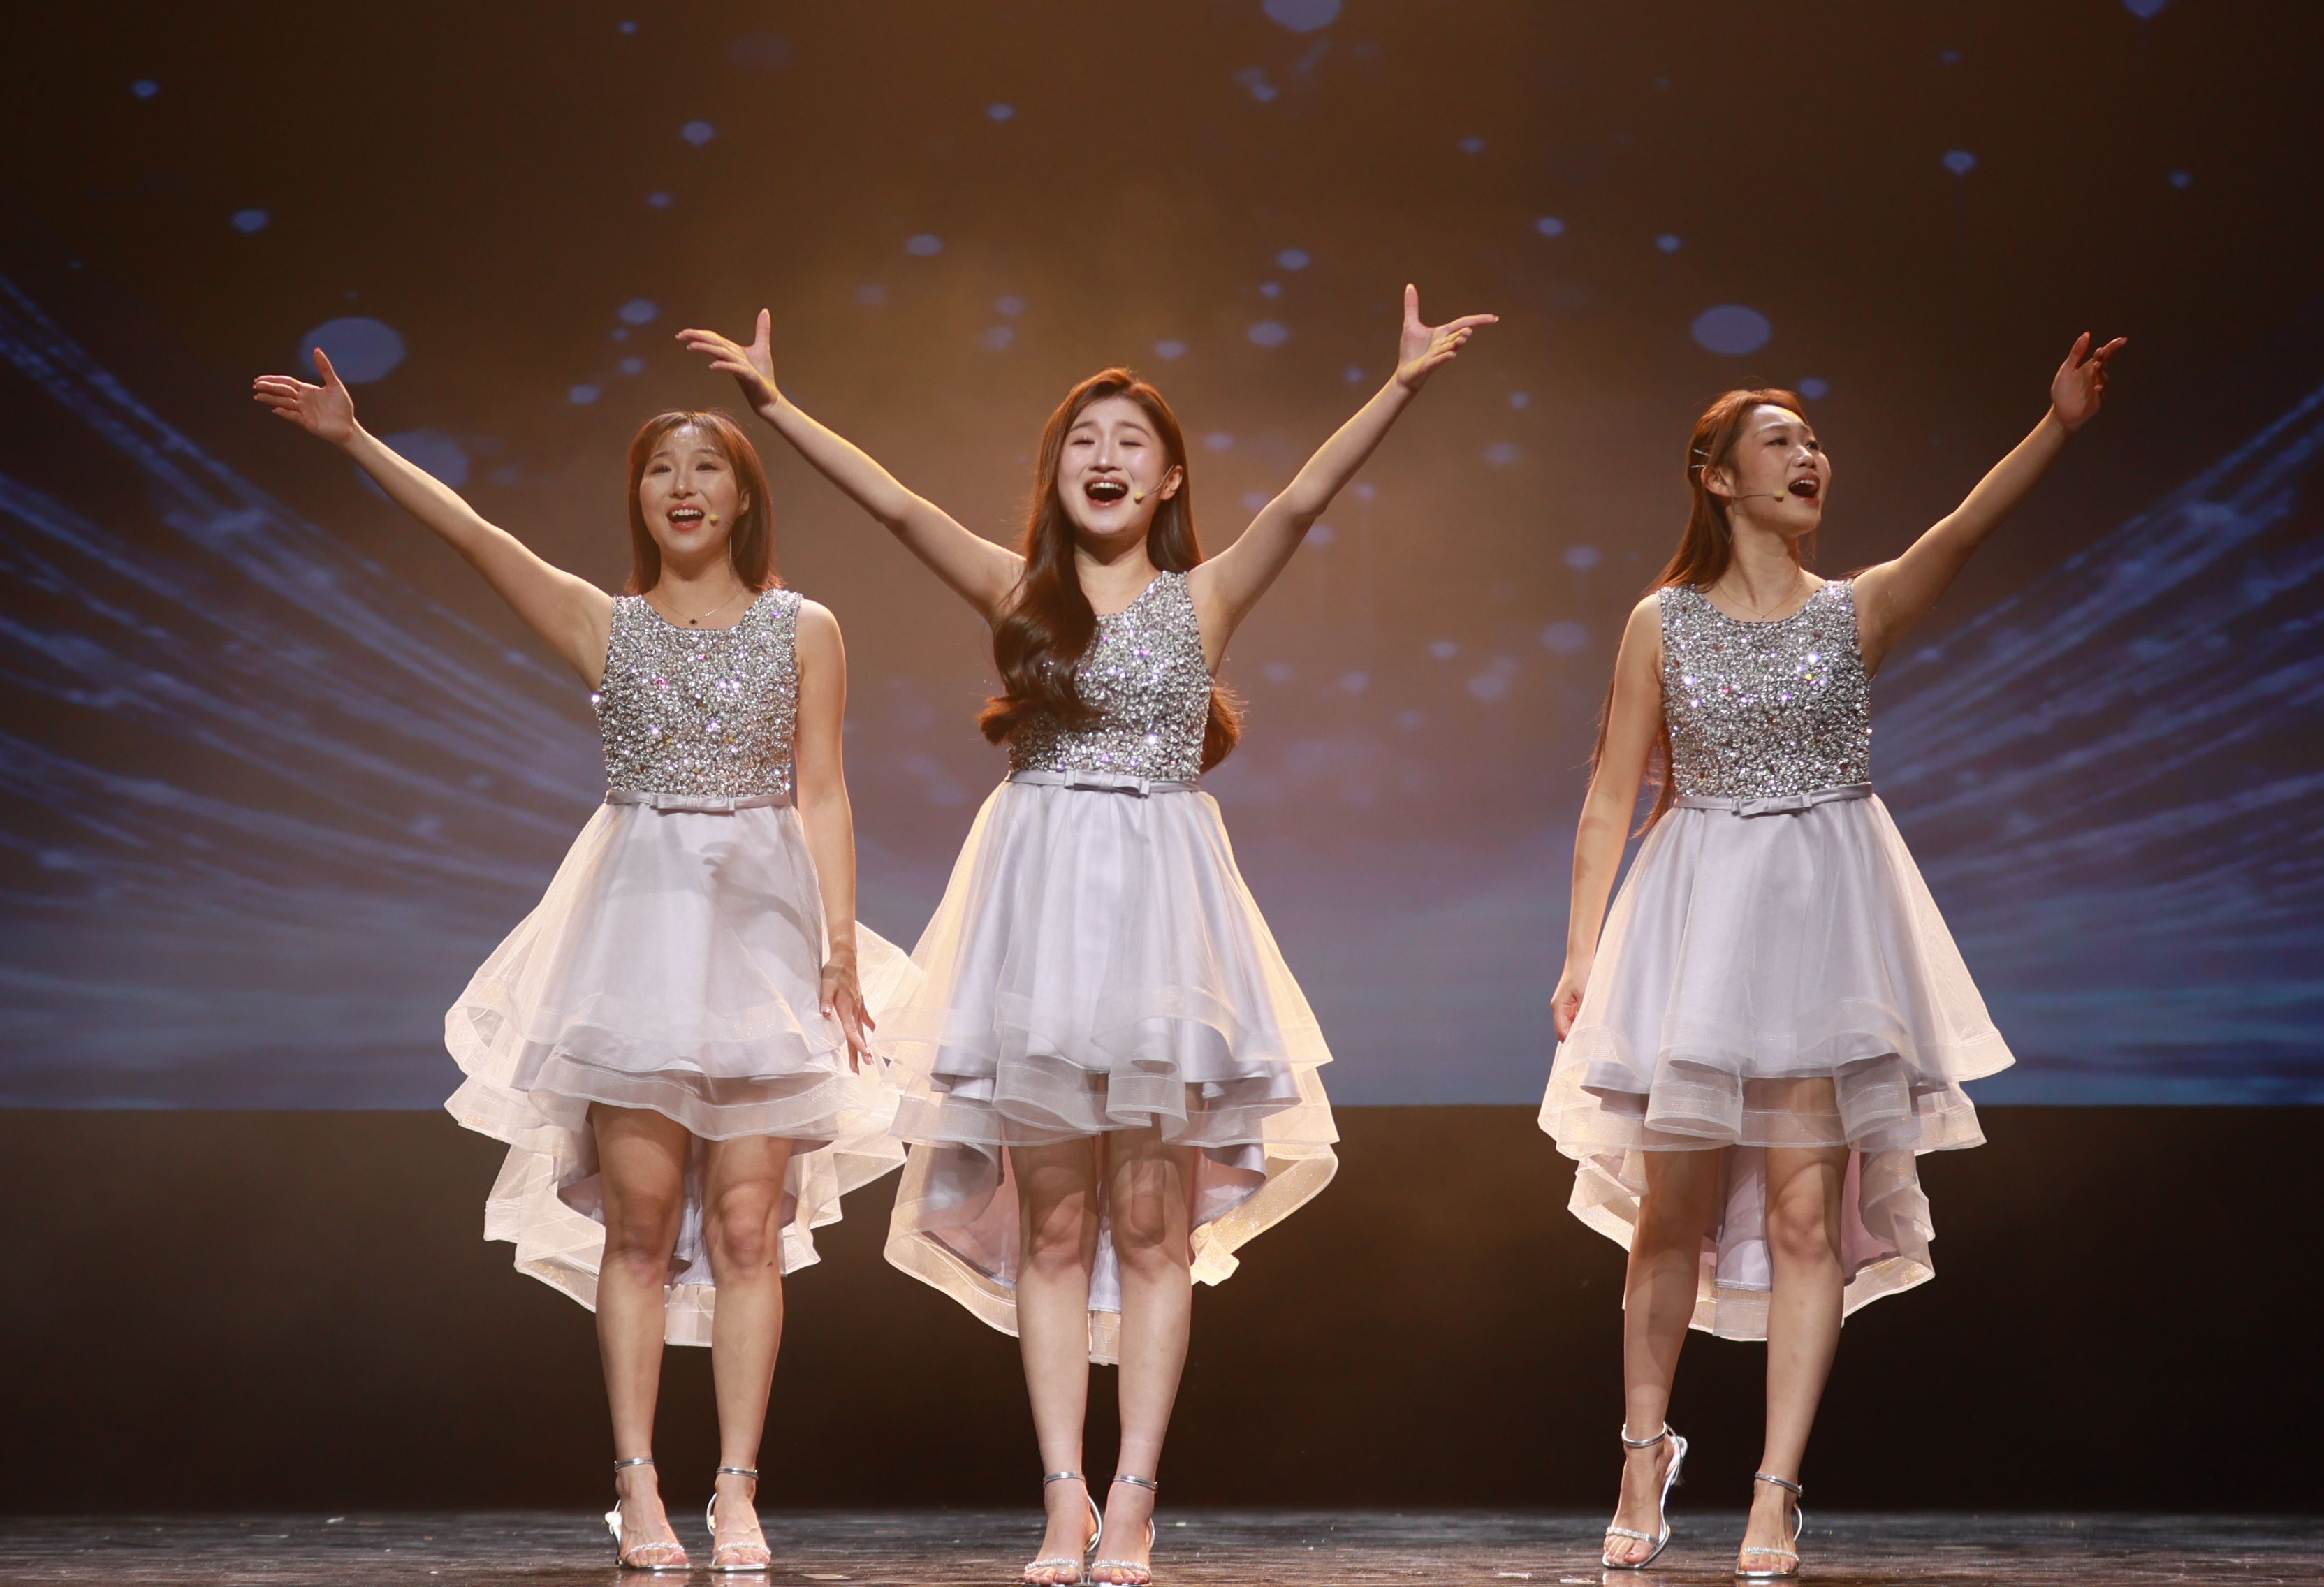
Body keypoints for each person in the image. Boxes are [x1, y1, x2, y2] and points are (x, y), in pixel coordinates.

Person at [680, 288, 1493, 1584]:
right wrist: (777, 408)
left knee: (1154, 1225)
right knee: (1053, 1229)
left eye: (1130, 441)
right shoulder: (1018, 592)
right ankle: (1062, 1501)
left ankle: (1133, 1501)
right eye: (1082, 439)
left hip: (1165, 922)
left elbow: (1303, 503)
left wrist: (1398, 386)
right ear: (1055, 472)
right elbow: (895, 507)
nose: (1104, 457)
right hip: (1038, 920)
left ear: (1168, 479)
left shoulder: (1203, 596)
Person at [252, 355, 911, 1573]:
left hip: (763, 944)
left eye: (706, 467)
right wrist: (355, 442)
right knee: (641, 1223)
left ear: (744, 496)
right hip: (636, 942)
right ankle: (637, 1483)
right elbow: (473, 535)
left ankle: (738, 1491)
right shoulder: (607, 623)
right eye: (661, 469)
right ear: (640, 498)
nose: (683, 486)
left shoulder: (804, 627)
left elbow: (824, 792)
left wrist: (837, 948)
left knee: (751, 1224)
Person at [1541, 335, 2125, 1578]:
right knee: (1671, 1212)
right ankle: (1643, 1454)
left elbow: (1961, 532)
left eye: (1814, 441)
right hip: (1697, 927)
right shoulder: (1662, 621)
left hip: (1819, 938)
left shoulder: (1851, 611)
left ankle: (1775, 1491)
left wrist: (2058, 427)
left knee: (1810, 1215)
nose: (1810, 457)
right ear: (1716, 477)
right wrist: (1581, 956)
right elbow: (1607, 800)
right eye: (1780, 441)